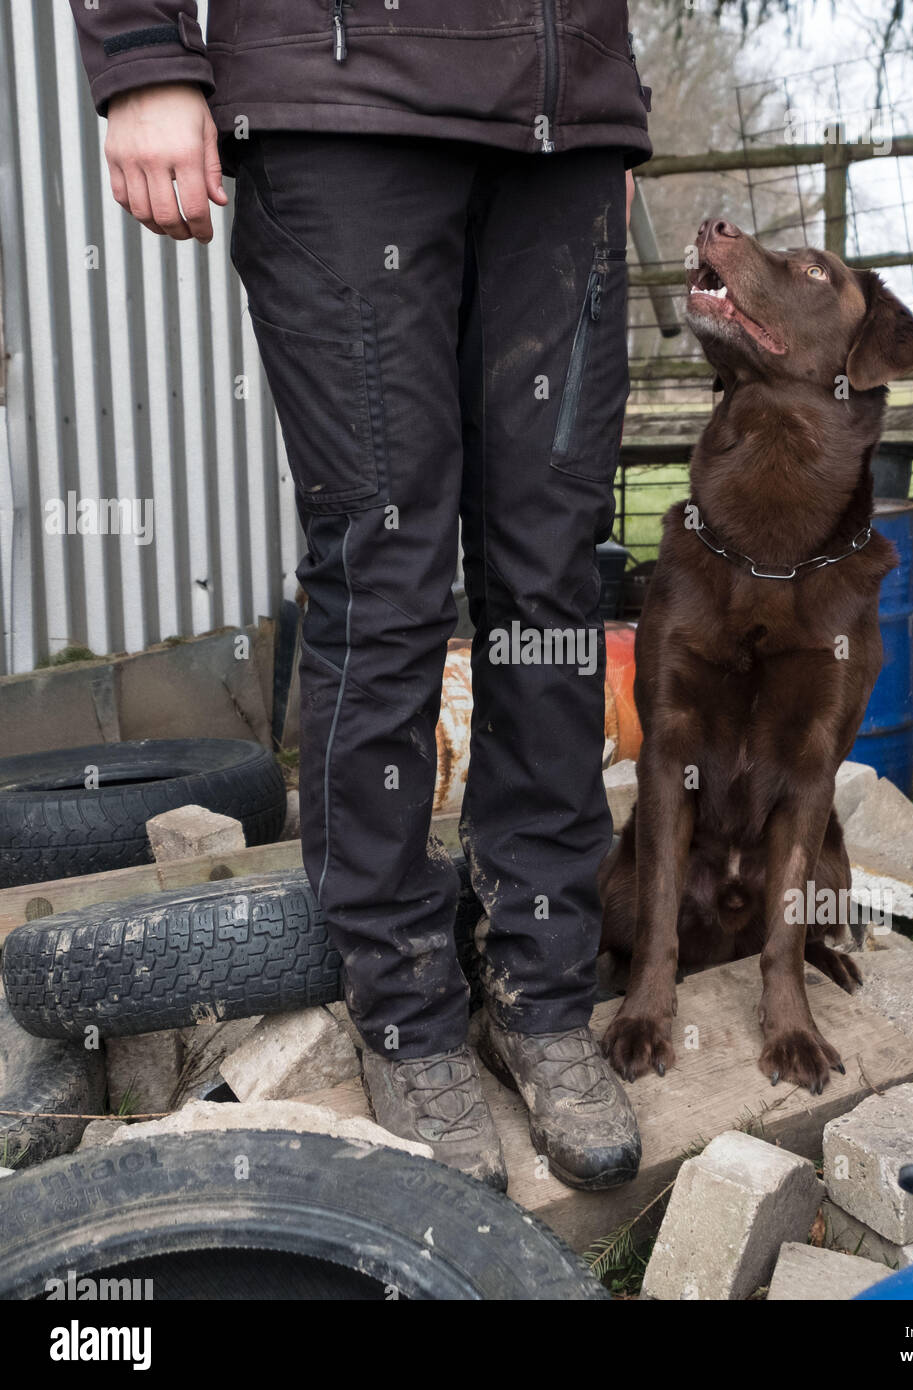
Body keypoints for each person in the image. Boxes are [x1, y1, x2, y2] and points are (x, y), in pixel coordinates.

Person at [69, 2, 651, 1193]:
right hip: (341, 100)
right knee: (384, 570)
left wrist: (591, 100)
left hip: (559, 129)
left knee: (553, 578)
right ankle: (407, 1012)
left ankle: (537, 992)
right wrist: (141, 56)